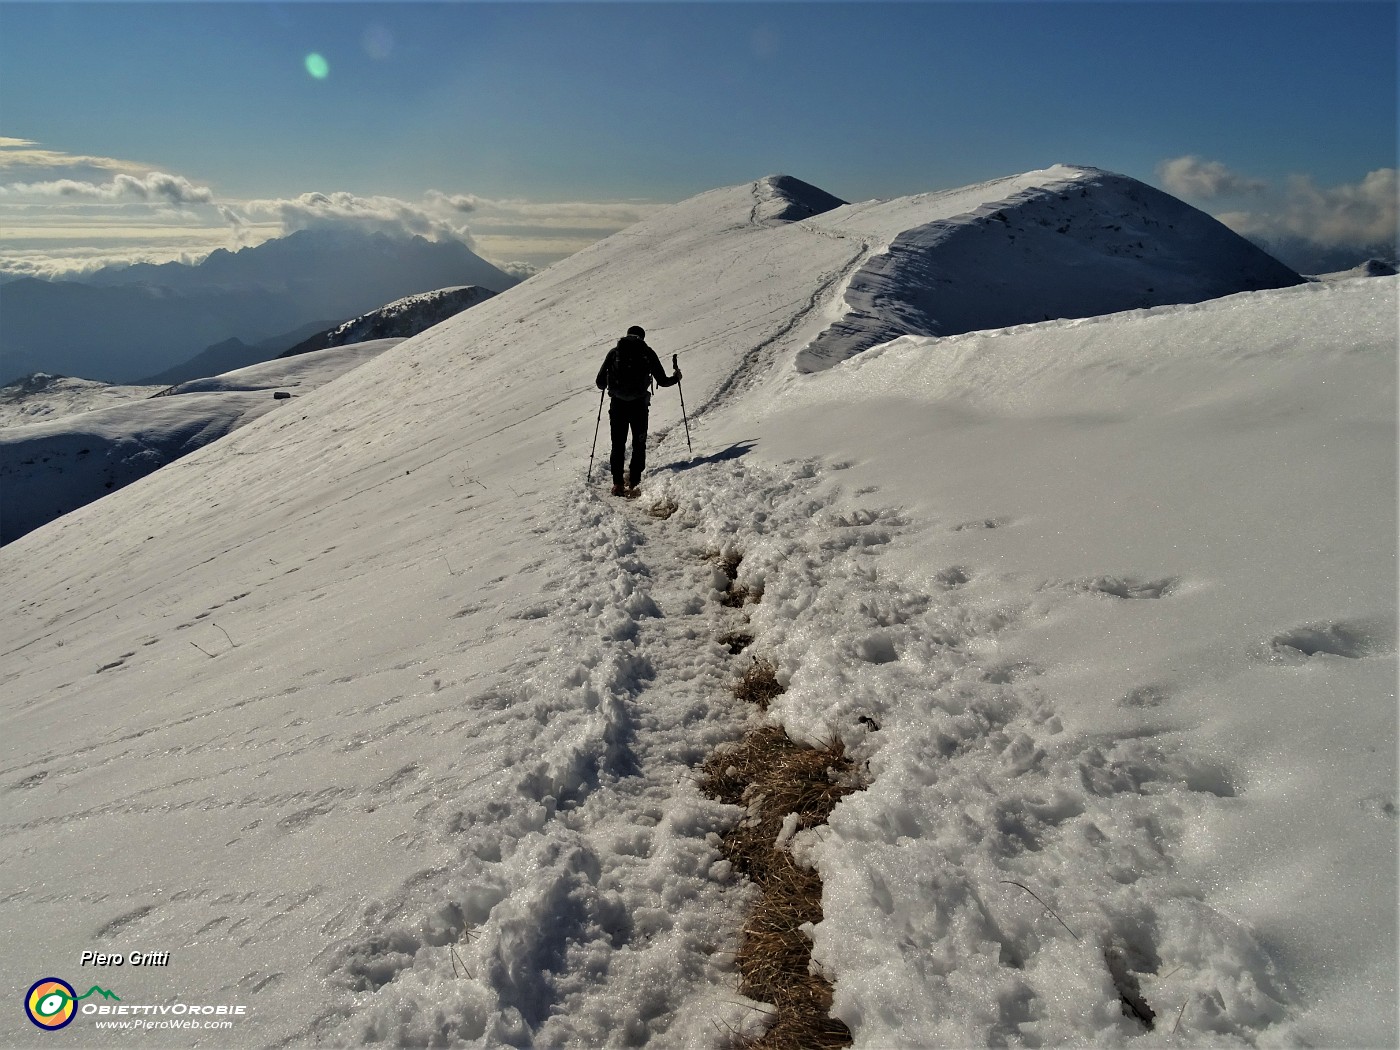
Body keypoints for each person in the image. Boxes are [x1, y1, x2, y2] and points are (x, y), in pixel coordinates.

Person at [595, 325, 681, 496]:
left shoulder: (615, 353)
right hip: (639, 406)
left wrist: (610, 381)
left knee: (618, 444)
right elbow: (662, 381)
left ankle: (617, 483)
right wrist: (676, 378)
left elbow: (600, 383)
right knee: (638, 443)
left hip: (618, 405)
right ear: (642, 337)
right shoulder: (647, 353)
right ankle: (634, 480)